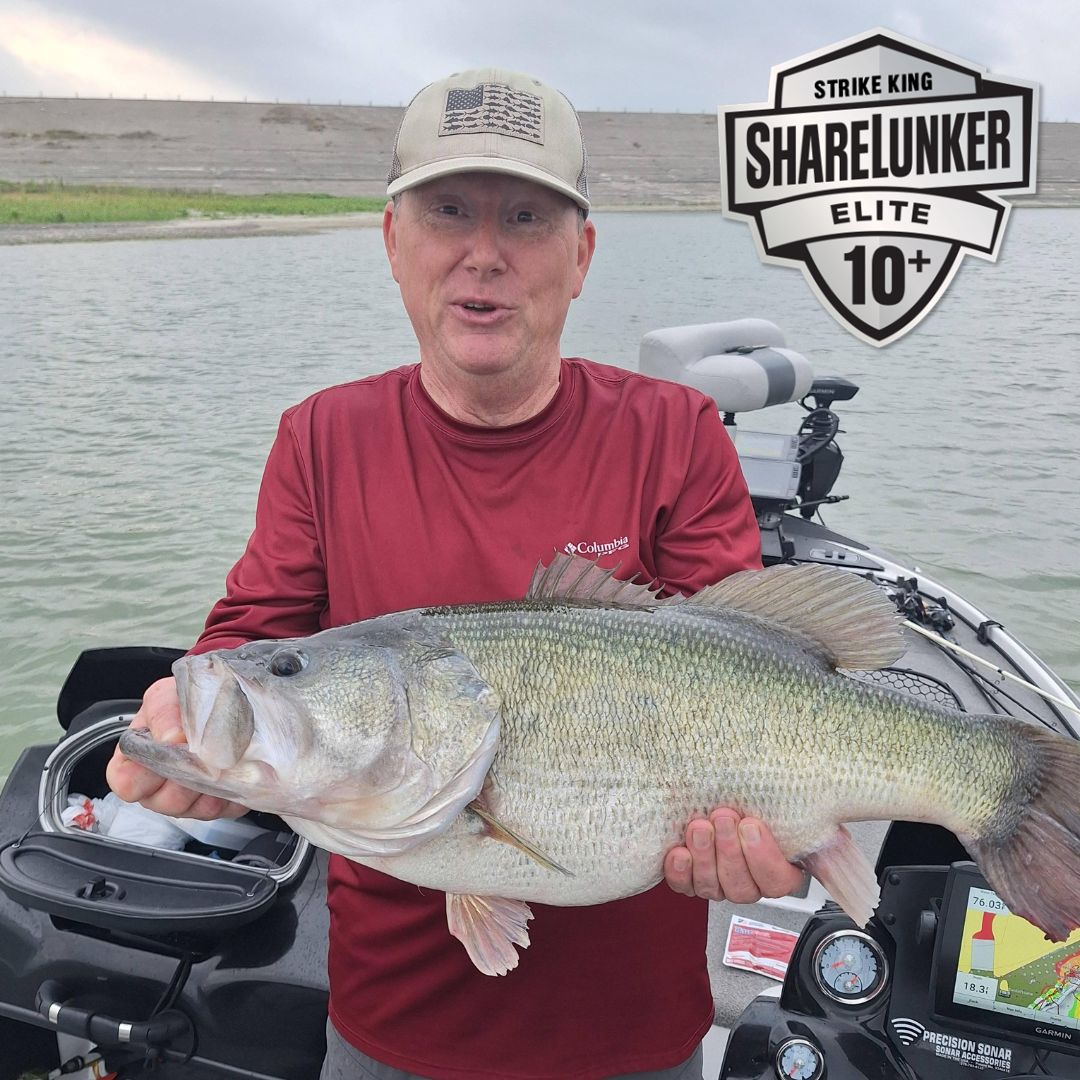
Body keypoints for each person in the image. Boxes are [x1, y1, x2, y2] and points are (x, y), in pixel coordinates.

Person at [107, 68, 804, 1080]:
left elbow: (752, 659)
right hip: (389, 1025)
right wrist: (189, 709)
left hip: (635, 1033)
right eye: (447, 212)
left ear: (581, 255)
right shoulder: (321, 438)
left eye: (525, 217)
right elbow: (253, 633)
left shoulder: (675, 430)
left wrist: (767, 839)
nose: (484, 254)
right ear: (393, 241)